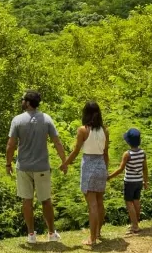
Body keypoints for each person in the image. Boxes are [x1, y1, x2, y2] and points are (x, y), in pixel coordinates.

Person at [6, 89, 69, 244]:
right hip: (42, 166)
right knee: (46, 200)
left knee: (27, 201)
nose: (22, 102)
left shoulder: (17, 120)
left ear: (27, 103)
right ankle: (51, 233)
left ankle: (31, 235)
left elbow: (11, 145)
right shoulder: (46, 119)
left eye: (23, 100)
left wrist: (8, 163)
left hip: (24, 167)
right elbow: (57, 141)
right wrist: (64, 161)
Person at [62, 101, 109, 247]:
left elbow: (76, 151)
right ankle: (98, 233)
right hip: (101, 165)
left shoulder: (83, 130)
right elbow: (106, 154)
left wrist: (65, 163)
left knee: (92, 205)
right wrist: (105, 170)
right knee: (99, 202)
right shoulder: (105, 130)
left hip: (89, 166)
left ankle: (92, 238)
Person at [120, 128, 146, 235]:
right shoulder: (142, 153)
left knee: (129, 202)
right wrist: (146, 181)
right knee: (136, 200)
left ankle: (135, 226)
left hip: (129, 182)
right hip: (139, 181)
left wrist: (109, 176)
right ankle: (135, 223)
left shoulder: (127, 154)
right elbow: (145, 168)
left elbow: (121, 169)